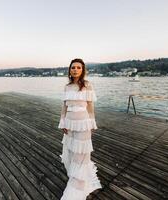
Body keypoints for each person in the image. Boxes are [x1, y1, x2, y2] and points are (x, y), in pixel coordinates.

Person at [58, 58, 102, 200]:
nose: (75, 69)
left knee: (81, 153)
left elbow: (90, 106)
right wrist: (63, 122)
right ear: (69, 70)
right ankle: (74, 175)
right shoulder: (67, 87)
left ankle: (77, 184)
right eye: (73, 67)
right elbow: (64, 106)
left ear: (82, 70)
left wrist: (92, 122)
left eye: (78, 67)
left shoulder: (87, 85)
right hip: (70, 123)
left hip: (83, 122)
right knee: (71, 150)